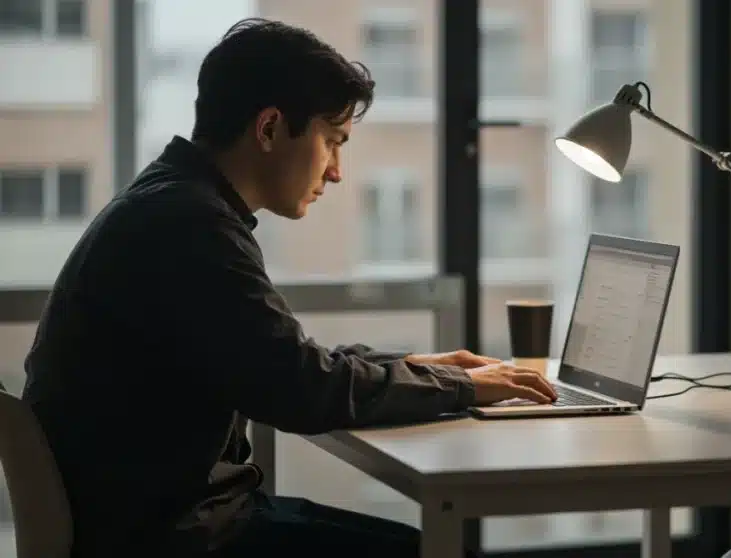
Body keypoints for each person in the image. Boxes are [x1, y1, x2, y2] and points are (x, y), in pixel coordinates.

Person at [21, 17, 557, 558]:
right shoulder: (190, 225)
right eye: (332, 141)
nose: (337, 172)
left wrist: (421, 366)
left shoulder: (171, 204)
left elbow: (282, 361)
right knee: (434, 550)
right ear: (271, 128)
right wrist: (461, 387)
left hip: (164, 522)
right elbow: (302, 388)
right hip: (175, 537)